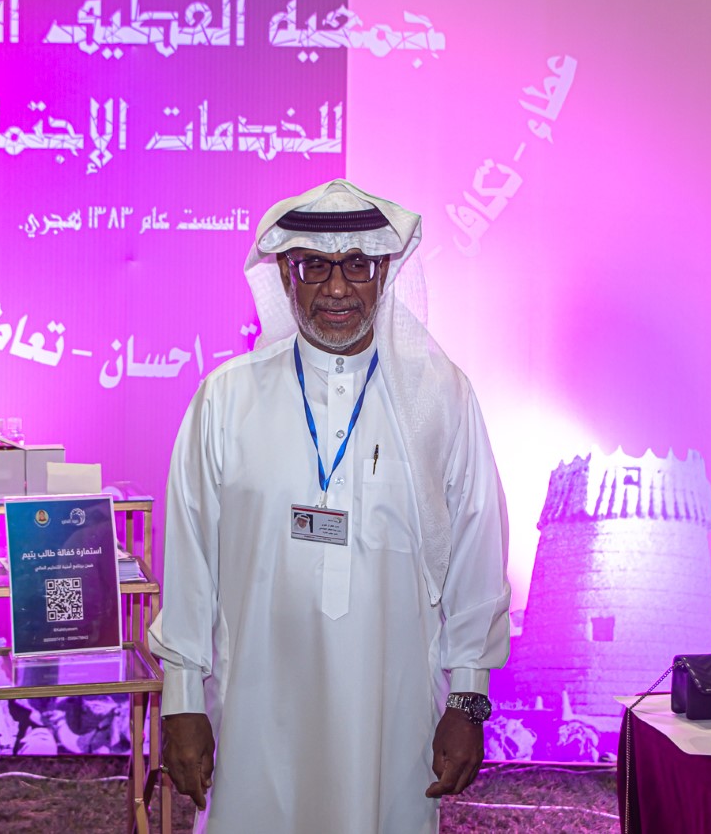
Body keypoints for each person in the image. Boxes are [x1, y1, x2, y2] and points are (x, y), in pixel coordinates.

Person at [148, 179, 510, 833]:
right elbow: (190, 561)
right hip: (256, 709)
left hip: (393, 714)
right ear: (286, 274)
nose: (337, 289)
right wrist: (181, 702)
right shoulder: (226, 399)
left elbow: (477, 556)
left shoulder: (440, 397)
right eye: (315, 266)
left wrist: (469, 701)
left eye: (358, 266)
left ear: (385, 273)